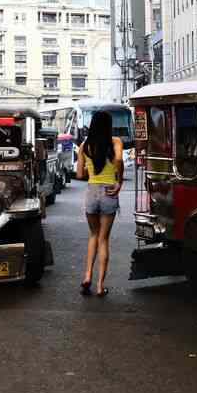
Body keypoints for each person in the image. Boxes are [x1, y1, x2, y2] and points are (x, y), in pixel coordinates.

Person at [76, 110, 123, 297]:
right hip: (109, 192)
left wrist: (90, 169)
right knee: (104, 239)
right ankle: (99, 286)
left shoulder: (84, 146)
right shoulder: (115, 142)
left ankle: (87, 276)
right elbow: (119, 159)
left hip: (91, 191)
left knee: (93, 235)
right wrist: (118, 180)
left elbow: (80, 175)